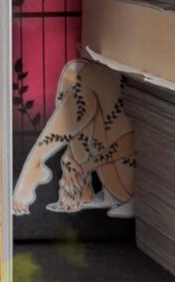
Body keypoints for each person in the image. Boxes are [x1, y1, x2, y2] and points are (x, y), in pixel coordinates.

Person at [12, 59, 134, 218]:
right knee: (73, 72)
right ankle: (76, 180)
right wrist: (72, 158)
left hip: (128, 179)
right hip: (120, 173)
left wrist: (85, 166)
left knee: (92, 76)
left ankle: (35, 163)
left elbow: (130, 144)